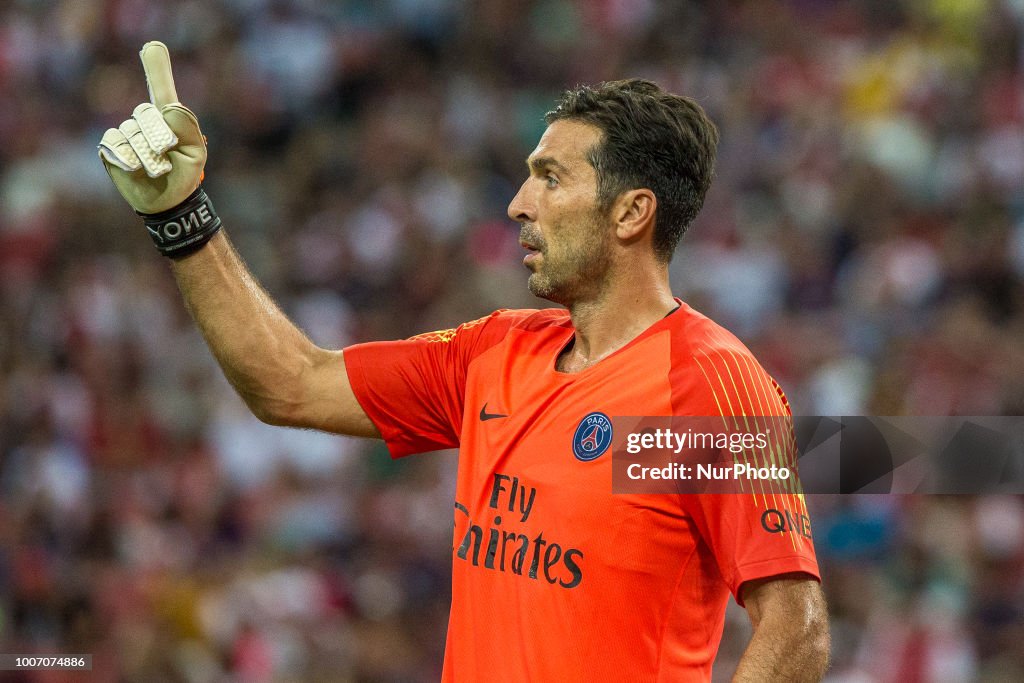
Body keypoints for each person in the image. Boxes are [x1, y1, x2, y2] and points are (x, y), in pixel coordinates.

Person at [99, 42, 830, 682]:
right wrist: (181, 216)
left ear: (631, 213)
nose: (518, 203)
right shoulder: (498, 351)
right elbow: (290, 385)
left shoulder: (703, 381)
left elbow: (796, 629)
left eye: (550, 177)